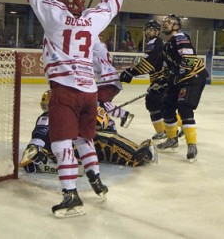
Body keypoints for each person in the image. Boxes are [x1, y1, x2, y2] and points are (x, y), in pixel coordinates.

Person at [13, 0, 124, 218]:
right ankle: (96, 180)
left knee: (61, 141)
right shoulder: (91, 21)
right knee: (84, 138)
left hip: (65, 91)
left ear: (62, 3)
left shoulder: (54, 14)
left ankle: (71, 195)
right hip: (89, 92)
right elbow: (114, 3)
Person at [20, 90, 156, 173]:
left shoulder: (67, 113)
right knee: (104, 138)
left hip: (73, 149)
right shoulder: (48, 116)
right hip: (65, 152)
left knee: (102, 137)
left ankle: (135, 149)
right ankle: (134, 155)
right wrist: (32, 153)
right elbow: (39, 135)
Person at [154, 14, 208, 163]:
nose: (165, 24)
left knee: (184, 107)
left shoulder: (180, 37)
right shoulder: (167, 45)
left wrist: (176, 75)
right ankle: (172, 140)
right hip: (180, 79)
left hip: (193, 78)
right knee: (167, 105)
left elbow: (189, 60)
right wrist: (161, 81)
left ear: (176, 26)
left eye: (169, 22)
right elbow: (168, 68)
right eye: (164, 22)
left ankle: (192, 145)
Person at [119, 20, 183, 140]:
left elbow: (150, 63)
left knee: (157, 103)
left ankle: (179, 126)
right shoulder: (154, 43)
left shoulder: (156, 43)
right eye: (147, 29)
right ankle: (169, 129)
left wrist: (131, 73)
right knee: (156, 104)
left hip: (163, 79)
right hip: (161, 79)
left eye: (151, 29)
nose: (148, 31)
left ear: (157, 31)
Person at [93, 36, 134, 128]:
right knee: (100, 107)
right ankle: (110, 125)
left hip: (108, 80)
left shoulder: (94, 45)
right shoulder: (99, 46)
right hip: (108, 80)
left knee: (98, 103)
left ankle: (124, 114)